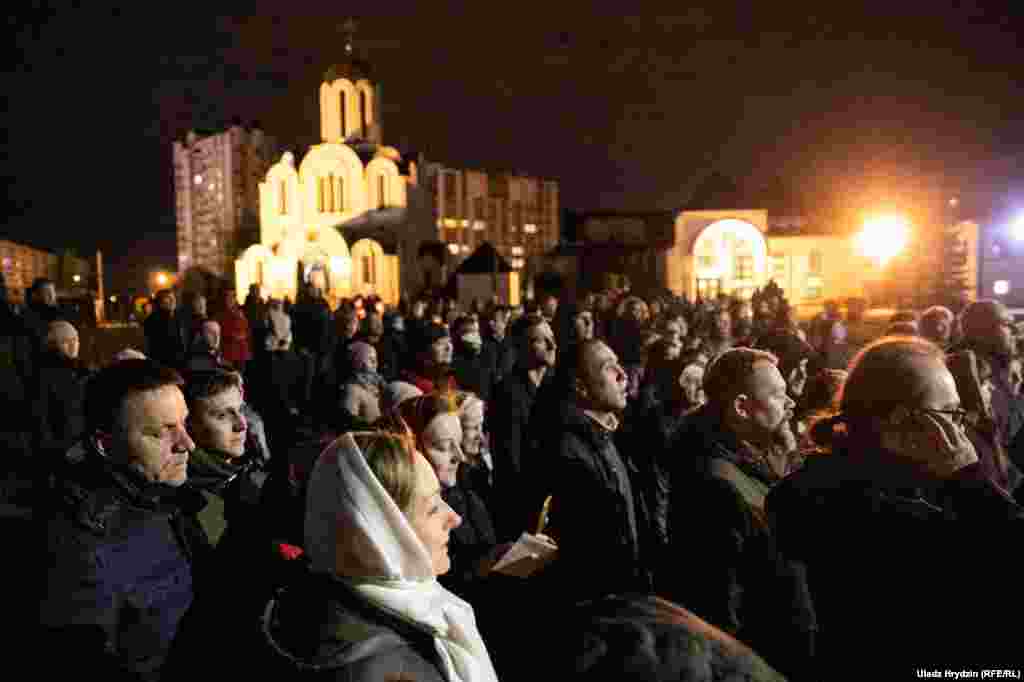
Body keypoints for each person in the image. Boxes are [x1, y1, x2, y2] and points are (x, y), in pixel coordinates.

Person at [768, 336, 1024, 676]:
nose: (961, 431)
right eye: (950, 414)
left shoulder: (820, 486)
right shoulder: (863, 507)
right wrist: (970, 479)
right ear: (902, 420)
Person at [259, 429, 500, 681]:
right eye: (431, 509)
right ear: (381, 534)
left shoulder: (315, 604)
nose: (454, 517)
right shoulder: (384, 667)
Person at [39, 359, 207, 680]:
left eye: (184, 423)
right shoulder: (80, 549)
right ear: (105, 443)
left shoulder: (167, 495)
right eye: (160, 432)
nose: (188, 444)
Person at [665, 348, 816, 679]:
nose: (790, 402)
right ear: (741, 407)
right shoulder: (716, 486)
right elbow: (720, 608)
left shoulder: (750, 459)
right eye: (778, 394)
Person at [539, 339, 652, 603]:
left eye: (619, 364)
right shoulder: (567, 451)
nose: (622, 375)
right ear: (581, 387)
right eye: (608, 368)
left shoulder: (606, 435)